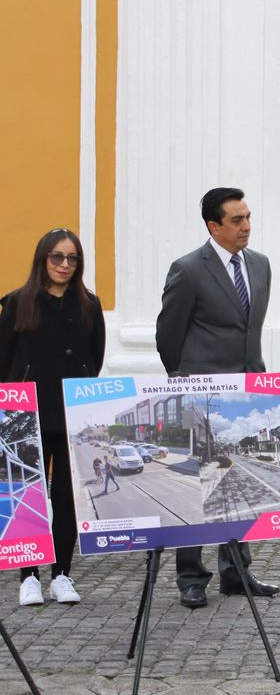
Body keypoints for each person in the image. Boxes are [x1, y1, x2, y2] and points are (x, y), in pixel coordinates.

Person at [155, 187, 280, 609]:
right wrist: (187, 382)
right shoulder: (188, 269)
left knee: (236, 484)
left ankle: (236, 572)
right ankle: (191, 576)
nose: (246, 226)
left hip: (245, 392)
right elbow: (167, 336)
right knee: (194, 487)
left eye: (248, 217)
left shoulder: (260, 265)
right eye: (236, 220)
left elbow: (250, 331)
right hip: (199, 392)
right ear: (214, 226)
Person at [0, 228, 105, 606]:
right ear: (43, 259)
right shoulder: (16, 303)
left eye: (72, 258)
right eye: (57, 257)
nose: (64, 264)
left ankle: (62, 573)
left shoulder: (89, 305)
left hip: (71, 413)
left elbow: (94, 358)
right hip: (26, 415)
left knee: (65, 497)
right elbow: (4, 359)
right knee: (28, 495)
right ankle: (28, 576)